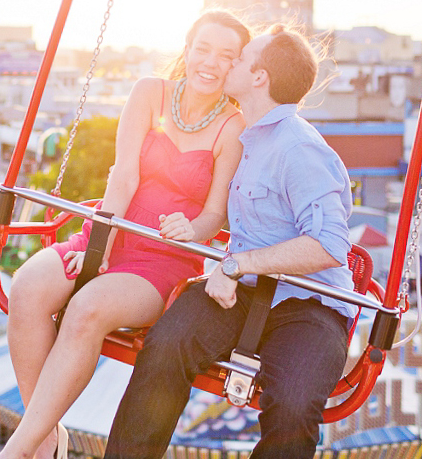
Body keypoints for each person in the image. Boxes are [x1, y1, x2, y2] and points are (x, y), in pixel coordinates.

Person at [0, 10, 252, 459]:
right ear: (187, 49)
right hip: (113, 230)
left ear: (237, 66)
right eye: (204, 49)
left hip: (165, 257)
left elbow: (215, 213)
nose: (211, 63)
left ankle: (19, 447)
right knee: (28, 287)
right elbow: (124, 177)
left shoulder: (234, 126)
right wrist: (100, 250)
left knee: (86, 309)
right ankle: (47, 439)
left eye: (227, 56)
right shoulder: (149, 92)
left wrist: (191, 229)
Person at [103, 25, 355, 459]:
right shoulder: (244, 137)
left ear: (259, 77)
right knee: (164, 349)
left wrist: (238, 265)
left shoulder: (299, 148)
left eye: (239, 59)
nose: (230, 64)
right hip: (242, 293)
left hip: (309, 304)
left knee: (293, 408)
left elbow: (329, 244)